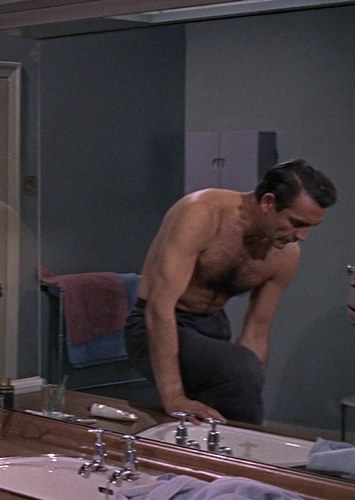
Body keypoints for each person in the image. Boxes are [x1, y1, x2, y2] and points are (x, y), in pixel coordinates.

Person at [124, 159, 336, 425]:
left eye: (309, 227)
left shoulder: (285, 255)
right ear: (268, 202)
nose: (302, 236)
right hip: (152, 325)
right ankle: (245, 448)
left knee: (239, 378)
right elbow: (158, 309)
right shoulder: (202, 214)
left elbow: (256, 332)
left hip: (212, 325)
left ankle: (237, 442)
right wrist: (174, 397)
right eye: (296, 222)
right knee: (238, 369)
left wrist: (250, 383)